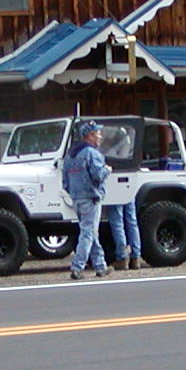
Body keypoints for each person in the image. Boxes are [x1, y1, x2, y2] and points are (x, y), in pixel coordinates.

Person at [63, 120, 111, 280]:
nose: (100, 136)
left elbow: (65, 181)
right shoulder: (92, 153)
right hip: (91, 198)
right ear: (89, 135)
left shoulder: (70, 154)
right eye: (97, 133)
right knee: (88, 233)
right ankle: (77, 267)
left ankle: (100, 266)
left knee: (90, 232)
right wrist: (107, 170)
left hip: (76, 199)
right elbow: (98, 175)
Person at [106, 196, 142, 271]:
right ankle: (135, 257)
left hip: (116, 192)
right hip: (129, 190)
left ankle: (122, 258)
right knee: (132, 222)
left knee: (117, 224)